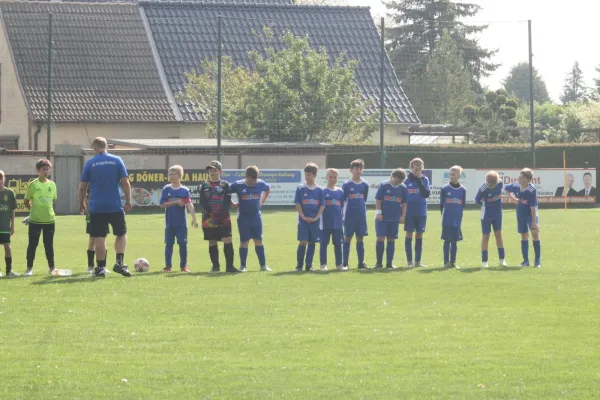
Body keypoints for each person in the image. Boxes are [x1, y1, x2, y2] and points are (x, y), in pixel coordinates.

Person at [79, 137, 133, 277]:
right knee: (121, 234)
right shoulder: (117, 160)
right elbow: (125, 182)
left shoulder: (90, 163)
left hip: (96, 206)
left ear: (95, 148)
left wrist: (82, 203)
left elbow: (82, 187)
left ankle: (101, 268)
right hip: (114, 205)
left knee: (99, 237)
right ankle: (119, 263)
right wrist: (128, 200)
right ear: (106, 147)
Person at [229, 165, 271, 272]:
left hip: (256, 217)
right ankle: (243, 266)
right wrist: (231, 203)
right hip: (243, 218)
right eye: (249, 179)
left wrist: (261, 202)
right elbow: (226, 191)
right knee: (244, 242)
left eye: (254, 180)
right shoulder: (238, 185)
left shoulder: (260, 184)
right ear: (246, 176)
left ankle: (263, 266)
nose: (252, 182)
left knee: (258, 241)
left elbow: (268, 189)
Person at [199, 160, 238, 273]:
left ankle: (230, 267)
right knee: (212, 241)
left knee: (227, 239)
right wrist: (211, 214)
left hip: (223, 217)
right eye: (210, 170)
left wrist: (232, 205)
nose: (211, 172)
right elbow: (202, 202)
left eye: (214, 170)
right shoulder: (204, 186)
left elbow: (227, 199)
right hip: (208, 218)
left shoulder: (225, 185)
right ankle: (215, 266)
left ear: (220, 171)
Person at [160, 165, 198, 273]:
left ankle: (183, 266)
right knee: (169, 244)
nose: (171, 176)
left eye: (174, 174)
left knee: (182, 244)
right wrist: (175, 202)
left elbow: (189, 205)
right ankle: (168, 266)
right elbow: (162, 204)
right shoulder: (166, 189)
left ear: (180, 176)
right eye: (169, 174)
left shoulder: (184, 190)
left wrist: (194, 218)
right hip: (169, 223)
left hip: (181, 223)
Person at [24, 159, 57, 276]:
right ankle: (29, 268)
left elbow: (53, 201)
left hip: (49, 220)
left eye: (48, 169)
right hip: (35, 221)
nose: (46, 171)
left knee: (49, 245)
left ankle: (52, 267)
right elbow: (26, 201)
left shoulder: (52, 184)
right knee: (32, 244)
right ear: (38, 170)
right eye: (44, 169)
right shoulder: (33, 184)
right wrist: (33, 211)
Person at [505, 168, 541, 268]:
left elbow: (533, 207)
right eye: (519, 177)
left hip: (531, 213)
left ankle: (537, 261)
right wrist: (512, 198)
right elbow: (506, 188)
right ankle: (525, 261)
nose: (519, 179)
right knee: (524, 235)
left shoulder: (531, 190)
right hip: (520, 213)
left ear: (528, 179)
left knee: (535, 233)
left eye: (521, 177)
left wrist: (534, 222)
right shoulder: (516, 185)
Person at [374, 168, 408, 269]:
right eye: (397, 180)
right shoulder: (384, 185)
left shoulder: (403, 187)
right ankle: (379, 263)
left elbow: (404, 203)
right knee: (380, 238)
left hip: (394, 218)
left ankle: (389, 264)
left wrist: (403, 216)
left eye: (401, 181)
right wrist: (379, 212)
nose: (399, 182)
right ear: (393, 177)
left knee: (391, 239)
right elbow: (378, 199)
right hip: (382, 217)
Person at [294, 163, 325, 272]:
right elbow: (298, 204)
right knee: (303, 241)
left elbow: (322, 205)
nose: (307, 177)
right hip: (303, 221)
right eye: (305, 174)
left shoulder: (320, 190)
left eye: (309, 175)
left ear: (314, 175)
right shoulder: (300, 188)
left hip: (314, 221)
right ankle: (299, 266)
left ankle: (309, 265)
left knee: (312, 242)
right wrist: (302, 216)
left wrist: (316, 217)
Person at [474, 170, 507, 268]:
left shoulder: (500, 184)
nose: (492, 185)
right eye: (489, 183)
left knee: (498, 235)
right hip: (486, 215)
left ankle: (502, 260)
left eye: (493, 182)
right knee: (485, 236)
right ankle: (484, 261)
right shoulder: (483, 188)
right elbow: (477, 200)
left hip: (497, 214)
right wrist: (484, 205)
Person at [342, 159, 370, 269]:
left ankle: (361, 263)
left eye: (360, 169)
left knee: (360, 238)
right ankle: (345, 263)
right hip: (349, 215)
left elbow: (364, 199)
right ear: (351, 170)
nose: (358, 171)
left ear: (362, 170)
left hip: (361, 216)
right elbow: (343, 201)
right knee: (347, 238)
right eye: (356, 169)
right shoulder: (347, 184)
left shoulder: (365, 184)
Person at [404, 158, 430, 268]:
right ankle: (409, 262)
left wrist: (419, 180)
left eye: (419, 169)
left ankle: (418, 262)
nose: (417, 171)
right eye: (415, 169)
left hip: (421, 212)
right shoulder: (406, 181)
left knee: (419, 235)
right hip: (409, 212)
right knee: (409, 234)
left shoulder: (425, 180)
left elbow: (426, 194)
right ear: (411, 168)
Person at [440, 166, 466, 269]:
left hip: (457, 220)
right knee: (447, 241)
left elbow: (462, 206)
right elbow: (441, 205)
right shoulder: (445, 188)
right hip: (447, 220)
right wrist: (443, 218)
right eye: (450, 174)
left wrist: (459, 218)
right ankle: (446, 262)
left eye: (453, 174)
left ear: (459, 176)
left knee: (455, 241)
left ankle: (453, 262)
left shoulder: (462, 190)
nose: (451, 176)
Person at [320, 168, 345, 271]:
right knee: (323, 244)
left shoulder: (340, 192)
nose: (332, 179)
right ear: (326, 177)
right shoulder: (322, 191)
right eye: (330, 177)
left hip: (337, 224)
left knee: (338, 244)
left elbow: (342, 206)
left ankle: (339, 264)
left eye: (335, 177)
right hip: (325, 223)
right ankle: (323, 265)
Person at [85, 186, 110, 274]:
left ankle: (102, 266)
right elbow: (86, 197)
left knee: (103, 238)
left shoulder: (106, 184)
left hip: (104, 213)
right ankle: (90, 266)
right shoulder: (91, 184)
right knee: (92, 238)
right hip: (93, 213)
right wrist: (87, 211)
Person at [0, 170, 18, 277]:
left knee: (7, 247)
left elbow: (12, 210)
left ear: (4, 179)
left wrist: (12, 225)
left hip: (5, 227)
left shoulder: (10, 193)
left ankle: (9, 271)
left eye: (0, 178)